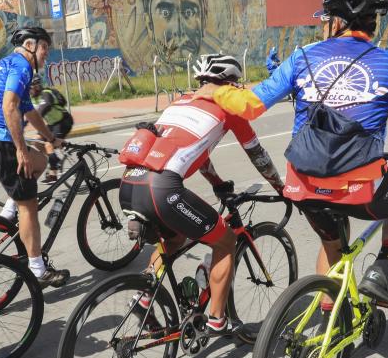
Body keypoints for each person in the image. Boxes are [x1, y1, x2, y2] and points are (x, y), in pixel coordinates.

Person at [203, 0, 388, 308]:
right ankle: (384, 268)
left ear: (337, 21)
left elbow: (250, 105)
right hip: (360, 189)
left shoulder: (302, 57)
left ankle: (329, 324)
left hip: (303, 184)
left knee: (332, 244)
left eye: (325, 19)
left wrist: (214, 90)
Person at [118, 54, 284, 334]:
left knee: (174, 238)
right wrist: (280, 186)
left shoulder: (181, 101)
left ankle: (144, 297)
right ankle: (217, 320)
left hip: (130, 183)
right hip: (161, 189)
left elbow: (194, 151)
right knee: (226, 242)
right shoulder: (228, 106)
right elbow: (258, 154)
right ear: (230, 83)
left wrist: (216, 181)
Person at [0, 27, 69, 288]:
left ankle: (7, 211)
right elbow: (10, 106)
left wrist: (50, 139)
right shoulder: (21, 66)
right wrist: (20, 150)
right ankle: (37, 268)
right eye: (45, 49)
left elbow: (30, 113)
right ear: (29, 45)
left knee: (41, 160)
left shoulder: (6, 65)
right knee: (30, 206)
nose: (47, 55)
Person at [30, 76, 74, 183]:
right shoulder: (32, 98)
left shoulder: (46, 94)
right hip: (52, 124)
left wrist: (35, 118)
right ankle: (54, 159)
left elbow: (43, 108)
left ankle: (53, 175)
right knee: (36, 141)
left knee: (49, 144)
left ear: (36, 87)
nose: (28, 91)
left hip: (63, 122)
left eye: (29, 88)